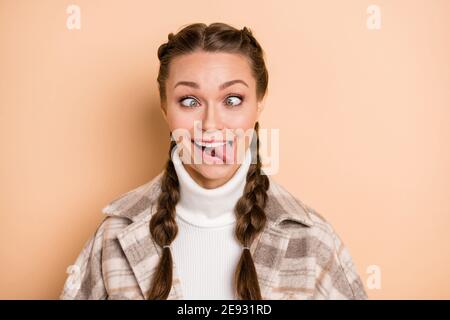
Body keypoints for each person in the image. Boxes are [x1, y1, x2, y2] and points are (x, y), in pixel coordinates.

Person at [60, 22, 367, 300]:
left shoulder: (313, 240)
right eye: (189, 101)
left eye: (232, 100)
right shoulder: (115, 235)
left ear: (259, 104)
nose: (210, 124)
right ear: (165, 108)